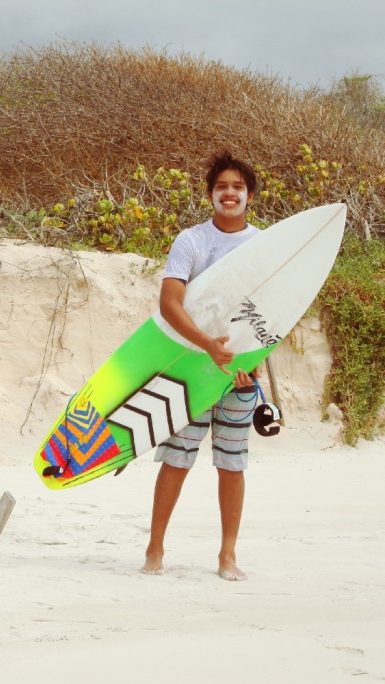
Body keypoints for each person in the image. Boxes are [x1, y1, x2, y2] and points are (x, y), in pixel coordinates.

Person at [141, 152, 260, 581]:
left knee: (232, 463)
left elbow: (272, 316)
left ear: (249, 195)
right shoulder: (191, 241)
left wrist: (253, 362)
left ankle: (227, 554)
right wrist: (207, 344)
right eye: (222, 187)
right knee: (177, 458)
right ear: (211, 194)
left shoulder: (263, 245)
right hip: (190, 368)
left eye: (238, 187)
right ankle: (155, 546)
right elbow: (170, 304)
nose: (230, 193)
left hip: (239, 375)